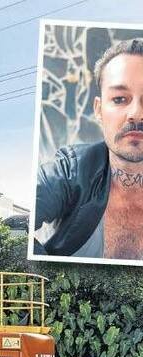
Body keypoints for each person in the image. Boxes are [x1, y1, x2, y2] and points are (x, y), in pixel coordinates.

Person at [34, 38, 143, 259]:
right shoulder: (70, 171)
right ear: (99, 109)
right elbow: (14, 226)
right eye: (120, 99)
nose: (136, 113)